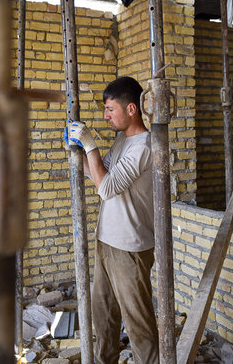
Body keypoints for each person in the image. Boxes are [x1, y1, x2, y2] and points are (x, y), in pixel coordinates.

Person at [64, 76, 159, 364]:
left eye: (110, 110)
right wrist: (77, 149)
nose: (106, 116)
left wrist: (91, 144)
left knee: (138, 322)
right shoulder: (122, 140)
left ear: (131, 109)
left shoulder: (143, 146)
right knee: (103, 314)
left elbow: (105, 189)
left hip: (130, 247)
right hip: (107, 241)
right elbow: (99, 174)